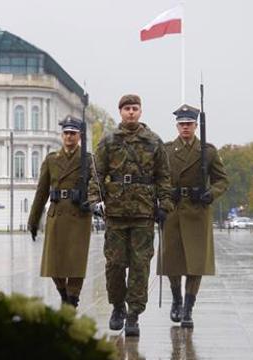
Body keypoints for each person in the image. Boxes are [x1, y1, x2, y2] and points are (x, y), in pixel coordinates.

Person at [88, 94, 174, 337]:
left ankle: (134, 314)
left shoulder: (154, 142)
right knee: (115, 265)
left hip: (143, 213)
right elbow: (97, 174)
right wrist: (95, 200)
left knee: (140, 266)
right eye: (127, 108)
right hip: (115, 213)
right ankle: (117, 307)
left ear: (140, 111)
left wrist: (165, 204)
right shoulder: (109, 141)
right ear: (121, 112)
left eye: (135, 108)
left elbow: (164, 176)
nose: (131, 112)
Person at [157, 104, 229, 329]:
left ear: (196, 125)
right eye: (182, 124)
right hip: (173, 209)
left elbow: (222, 180)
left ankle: (188, 308)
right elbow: (158, 179)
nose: (185, 127)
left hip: (198, 211)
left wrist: (211, 193)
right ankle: (176, 300)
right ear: (177, 126)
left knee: (195, 263)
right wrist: (159, 203)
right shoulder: (167, 151)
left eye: (189, 123)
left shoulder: (208, 151)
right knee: (172, 261)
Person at [28, 116, 93, 308]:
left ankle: (72, 298)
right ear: (62, 135)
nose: (69, 137)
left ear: (79, 136)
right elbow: (41, 192)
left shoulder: (88, 160)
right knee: (53, 263)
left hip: (79, 215)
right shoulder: (51, 160)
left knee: (76, 262)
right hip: (56, 214)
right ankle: (63, 293)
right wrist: (33, 220)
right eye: (66, 133)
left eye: (73, 133)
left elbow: (97, 186)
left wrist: (91, 201)